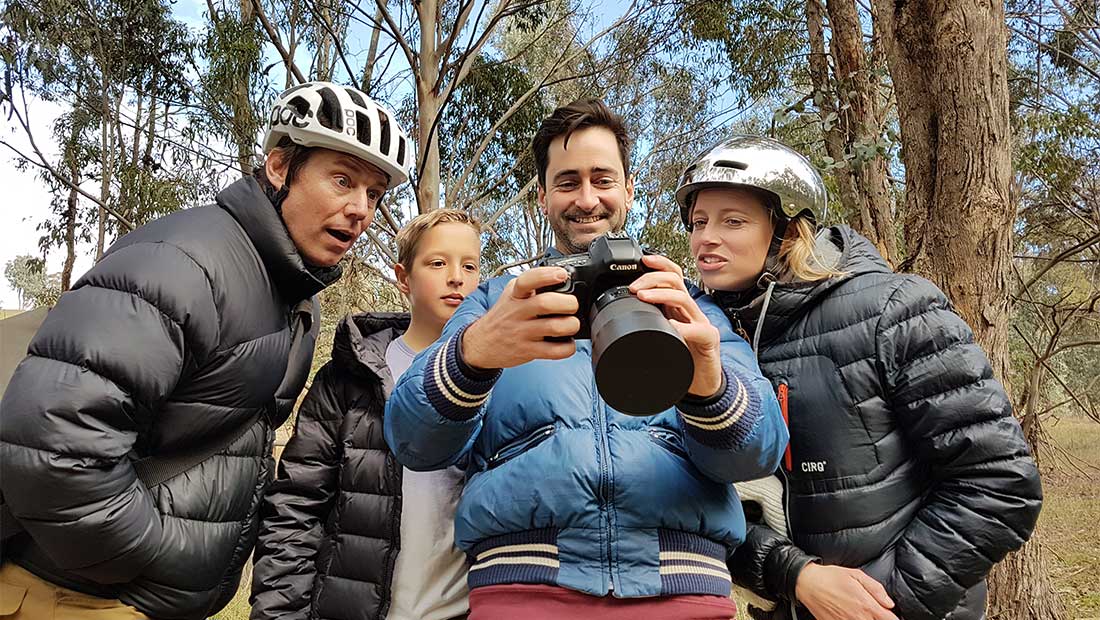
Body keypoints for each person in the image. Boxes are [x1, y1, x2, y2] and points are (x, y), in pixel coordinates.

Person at [0, 81, 413, 620]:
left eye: (374, 194)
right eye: (342, 180)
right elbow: (53, 439)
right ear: (279, 167)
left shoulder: (293, 297)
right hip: (79, 599)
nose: (360, 209)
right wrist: (148, 556)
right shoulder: (185, 262)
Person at [384, 99, 789, 620]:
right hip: (522, 591)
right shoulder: (497, 303)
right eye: (568, 182)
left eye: (603, 179)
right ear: (542, 197)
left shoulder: (686, 304)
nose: (587, 199)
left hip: (682, 587)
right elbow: (413, 441)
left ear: (629, 188)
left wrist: (710, 385)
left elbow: (758, 454)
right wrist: (472, 355)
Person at [676, 135, 1043, 620]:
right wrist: (795, 576)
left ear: (787, 229)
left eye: (733, 221)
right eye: (699, 222)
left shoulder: (894, 310)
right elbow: (714, 505)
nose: (706, 237)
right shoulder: (705, 337)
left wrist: (884, 603)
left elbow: (999, 481)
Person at [250, 209, 483, 620]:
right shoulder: (348, 378)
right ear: (403, 277)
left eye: (469, 266)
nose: (456, 278)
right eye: (437, 263)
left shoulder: (497, 380)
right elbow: (296, 507)